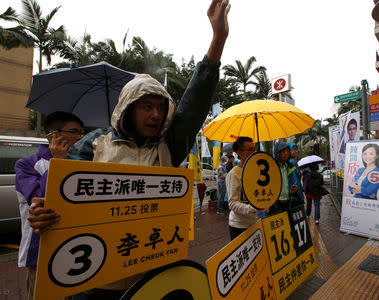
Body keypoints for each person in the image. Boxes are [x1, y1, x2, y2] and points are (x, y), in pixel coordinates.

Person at [28, 1, 231, 298]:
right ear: (127, 109)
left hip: (150, 283)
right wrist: (42, 214)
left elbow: (196, 101)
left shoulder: (168, 147)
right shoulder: (92, 144)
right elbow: (60, 206)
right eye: (147, 107)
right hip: (92, 286)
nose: (156, 115)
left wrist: (218, 39)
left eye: (161, 108)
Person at [14, 111, 84, 300]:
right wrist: (58, 162)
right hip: (40, 254)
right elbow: (41, 200)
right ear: (54, 134)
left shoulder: (80, 162)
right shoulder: (27, 164)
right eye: (74, 132)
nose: (80, 137)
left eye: (81, 132)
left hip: (74, 251)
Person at [226, 137, 266, 240]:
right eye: (249, 150)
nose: (252, 152)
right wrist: (254, 208)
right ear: (239, 152)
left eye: (253, 149)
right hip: (238, 226)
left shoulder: (255, 172)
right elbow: (232, 203)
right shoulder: (234, 174)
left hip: (254, 222)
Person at [269, 142, 304, 214]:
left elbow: (293, 182)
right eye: (283, 151)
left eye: (288, 151)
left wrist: (294, 189)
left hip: (288, 203)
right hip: (275, 205)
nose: (286, 153)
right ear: (278, 152)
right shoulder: (272, 167)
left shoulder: (289, 166)